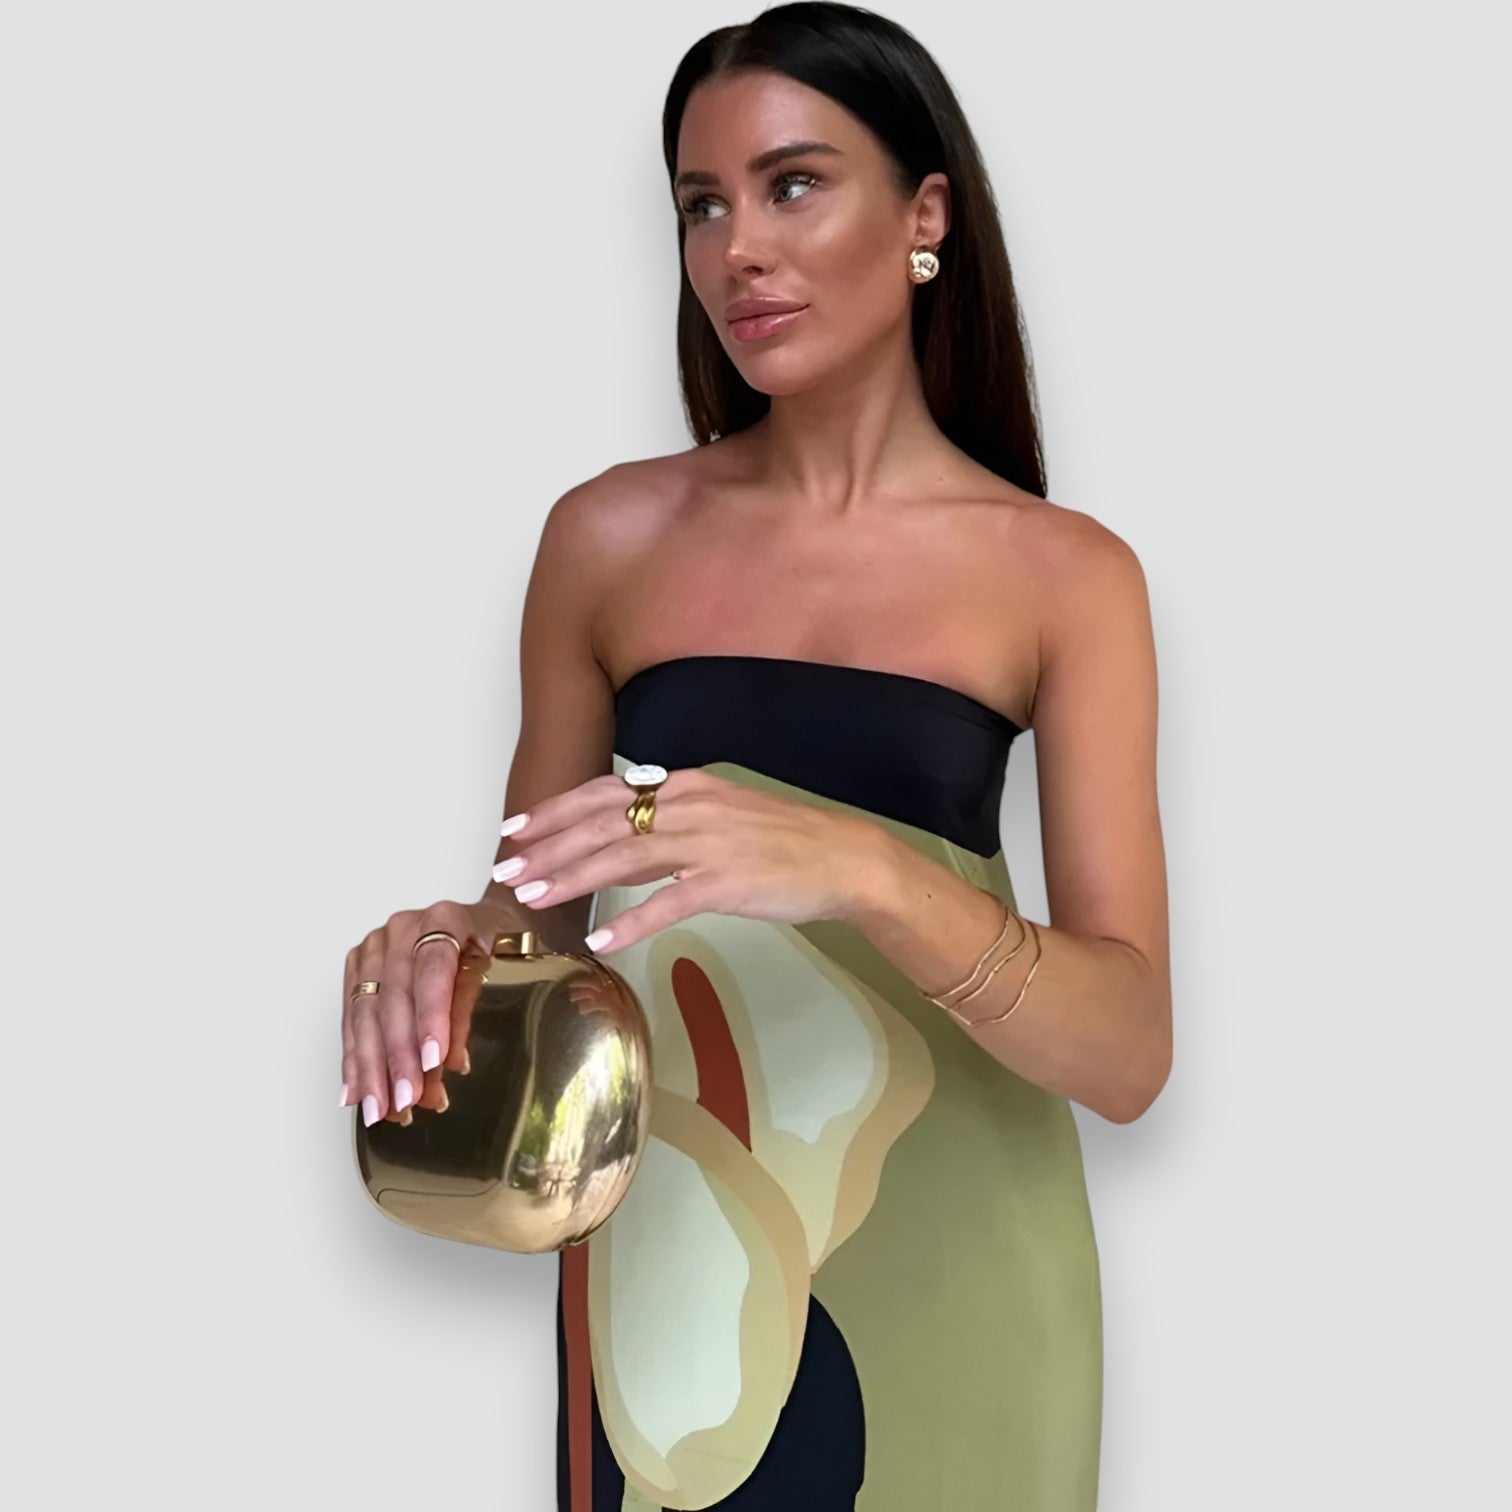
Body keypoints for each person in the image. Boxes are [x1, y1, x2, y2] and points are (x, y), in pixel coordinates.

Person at [339, 3, 1171, 1506]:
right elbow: (537, 941)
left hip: (966, 1267)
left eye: (794, 185)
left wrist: (868, 869)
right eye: (703, 205)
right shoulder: (606, 540)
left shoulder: (1065, 576)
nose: (740, 249)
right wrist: (439, 959)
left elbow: (1128, 1055)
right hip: (672, 1265)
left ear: (925, 217)